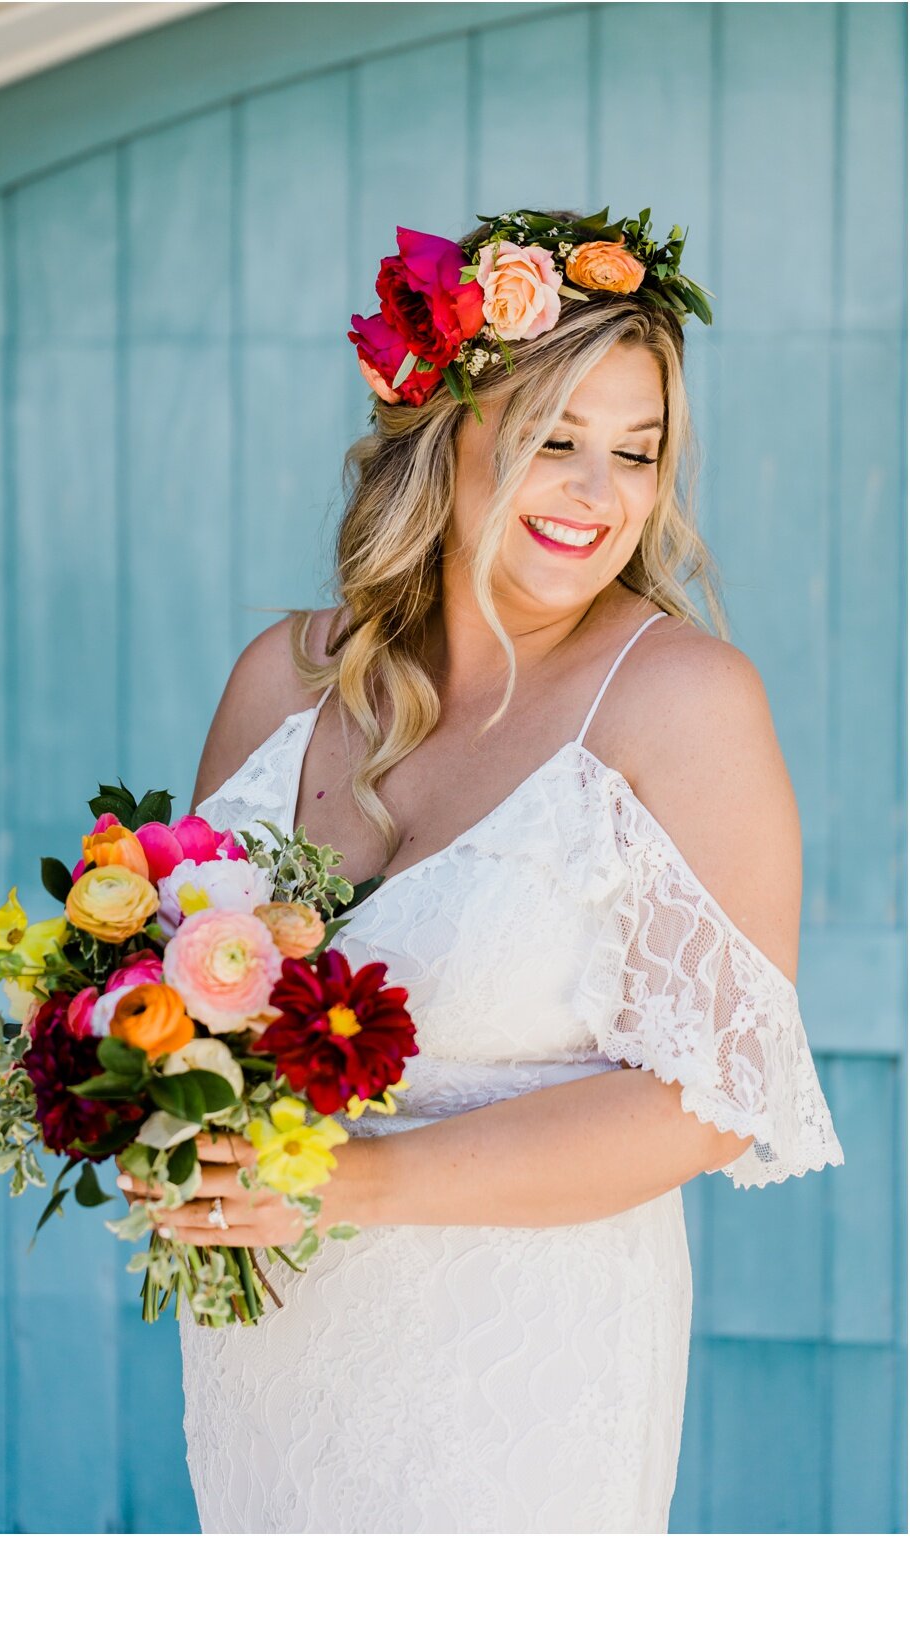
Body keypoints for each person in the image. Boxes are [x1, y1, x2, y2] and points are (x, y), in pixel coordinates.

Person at [150, 210, 842, 1531]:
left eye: (634, 454)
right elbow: (181, 1000)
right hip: (275, 1356)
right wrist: (160, 1122)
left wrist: (354, 1184)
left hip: (517, 1365)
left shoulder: (682, 700)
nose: (595, 494)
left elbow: (711, 1098)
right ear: (442, 429)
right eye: (551, 440)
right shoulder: (284, 678)